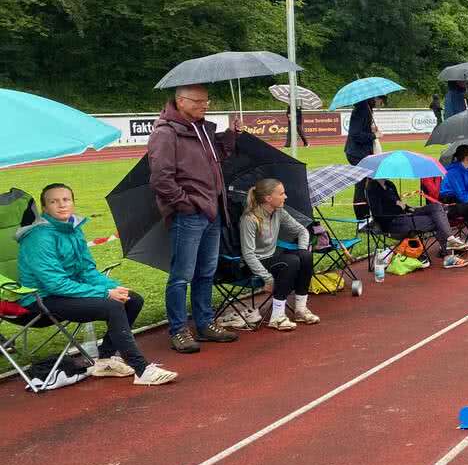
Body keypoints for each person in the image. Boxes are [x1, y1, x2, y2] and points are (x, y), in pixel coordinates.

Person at [16, 184, 177, 386]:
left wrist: (113, 287)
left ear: (73, 202)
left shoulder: (73, 228)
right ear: (44, 208)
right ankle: (142, 370)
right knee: (112, 306)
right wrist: (104, 292)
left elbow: (87, 271)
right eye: (53, 201)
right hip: (40, 299)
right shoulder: (39, 237)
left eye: (66, 199)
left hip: (67, 291)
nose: (61, 205)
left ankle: (105, 360)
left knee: (131, 299)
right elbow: (54, 283)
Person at [147, 84, 241, 354]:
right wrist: (186, 205)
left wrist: (231, 135)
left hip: (211, 211)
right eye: (198, 101)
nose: (205, 105)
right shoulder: (165, 133)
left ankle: (204, 323)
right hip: (189, 215)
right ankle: (178, 330)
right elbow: (160, 179)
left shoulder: (202, 128)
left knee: (206, 272)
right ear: (180, 101)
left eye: (206, 100)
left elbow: (217, 158)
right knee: (181, 275)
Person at [238, 179, 321, 331]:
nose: (285, 197)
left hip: (271, 259)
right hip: (253, 264)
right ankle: (277, 317)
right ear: (268, 198)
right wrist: (268, 279)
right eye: (281, 193)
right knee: (291, 261)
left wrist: (303, 251)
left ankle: (300, 310)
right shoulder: (249, 219)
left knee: (305, 256)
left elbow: (302, 231)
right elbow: (248, 255)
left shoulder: (279, 212)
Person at [368, 178, 468, 268]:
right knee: (438, 219)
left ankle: (450, 241)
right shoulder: (372, 188)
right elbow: (378, 214)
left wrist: (408, 208)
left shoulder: (390, 184)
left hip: (405, 215)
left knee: (436, 207)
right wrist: (397, 206)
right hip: (393, 222)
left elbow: (400, 204)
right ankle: (449, 253)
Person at [345, 96, 382, 222]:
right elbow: (355, 134)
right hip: (357, 153)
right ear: (375, 98)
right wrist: (373, 135)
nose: (381, 104)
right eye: (381, 100)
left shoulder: (365, 108)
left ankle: (366, 215)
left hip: (359, 152)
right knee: (361, 185)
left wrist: (371, 130)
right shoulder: (362, 110)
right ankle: (362, 218)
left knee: (366, 184)